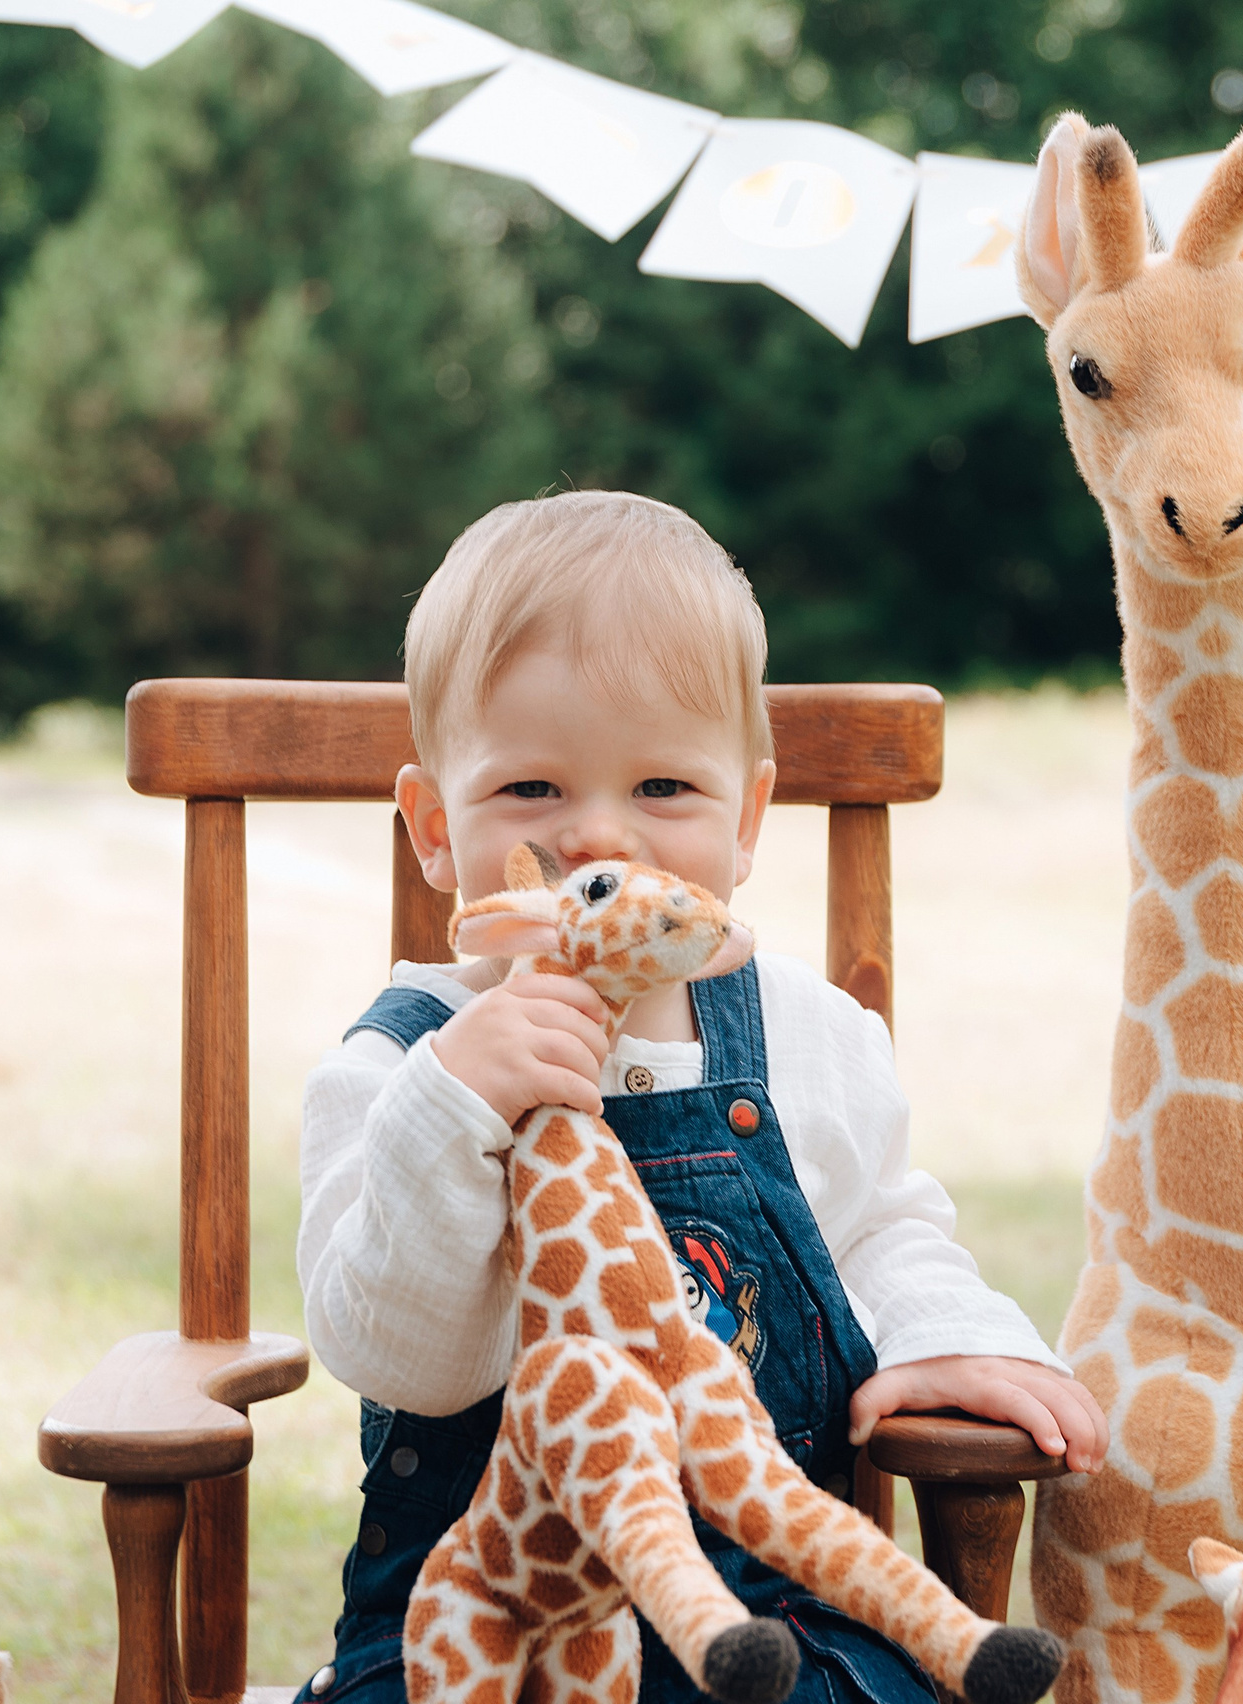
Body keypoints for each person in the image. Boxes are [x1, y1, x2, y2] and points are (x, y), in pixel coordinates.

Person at [296, 490, 1106, 1704]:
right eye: (529, 791)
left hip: (765, 1608)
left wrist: (955, 1338)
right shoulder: (400, 1063)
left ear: (749, 820)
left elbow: (880, 1231)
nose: (600, 839)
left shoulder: (805, 1033)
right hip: (485, 1619)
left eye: (665, 787)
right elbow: (398, 1356)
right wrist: (453, 1106)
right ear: (429, 826)